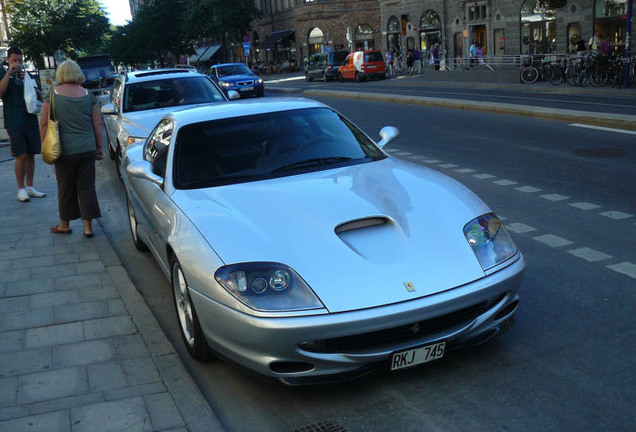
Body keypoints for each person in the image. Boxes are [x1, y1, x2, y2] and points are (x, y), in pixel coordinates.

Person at [40, 60, 104, 238]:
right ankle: (87, 227)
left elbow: (45, 123)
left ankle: (64, 225)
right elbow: (97, 123)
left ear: (60, 75)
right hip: (87, 148)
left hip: (64, 150)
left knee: (65, 187)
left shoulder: (52, 95)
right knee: (87, 187)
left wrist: (45, 146)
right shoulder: (88, 94)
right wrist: (99, 147)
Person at [0, 47, 47, 202]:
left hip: (30, 119)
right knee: (21, 155)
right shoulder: (3, 73)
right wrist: (9, 73)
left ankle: (30, 186)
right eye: (14, 60)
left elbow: (39, 93)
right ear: (8, 60)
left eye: (20, 60)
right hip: (14, 120)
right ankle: (20, 189)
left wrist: (27, 78)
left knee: (32, 154)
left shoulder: (27, 74)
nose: (18, 63)